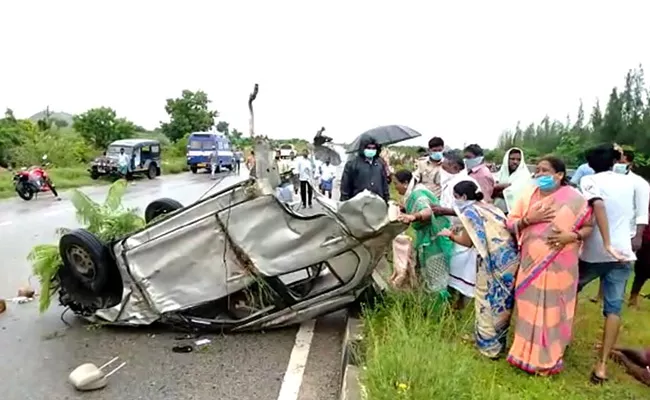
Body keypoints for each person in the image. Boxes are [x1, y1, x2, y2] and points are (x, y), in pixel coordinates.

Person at [506, 156, 594, 376]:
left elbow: (589, 226)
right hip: (530, 263)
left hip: (560, 264)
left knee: (556, 308)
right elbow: (510, 222)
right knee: (528, 306)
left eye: (545, 171)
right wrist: (529, 219)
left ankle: (549, 357)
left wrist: (571, 236)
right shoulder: (528, 195)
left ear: (560, 175)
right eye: (538, 171)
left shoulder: (575, 199)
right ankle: (523, 353)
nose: (540, 175)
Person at [578, 144, 644, 383]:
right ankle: (602, 364)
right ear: (616, 160)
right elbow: (641, 216)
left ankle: (558, 342)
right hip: (623, 254)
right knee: (614, 309)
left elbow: (598, 205)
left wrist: (606, 243)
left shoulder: (589, 181)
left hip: (594, 252)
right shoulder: (635, 183)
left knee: (569, 292)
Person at [437, 180, 519, 359]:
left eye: (456, 197)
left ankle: (489, 349)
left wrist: (450, 235)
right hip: (510, 258)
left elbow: (467, 241)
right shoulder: (490, 207)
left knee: (487, 301)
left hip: (492, 261)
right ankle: (499, 343)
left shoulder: (469, 212)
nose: (455, 201)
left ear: (464, 197)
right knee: (504, 303)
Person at [393, 170, 453, 299]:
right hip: (432, 234)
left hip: (435, 237)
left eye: (396, 183)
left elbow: (426, 211)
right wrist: (405, 209)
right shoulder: (415, 191)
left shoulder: (417, 193)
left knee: (436, 273)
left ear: (405, 183)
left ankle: (440, 307)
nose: (394, 187)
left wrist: (412, 216)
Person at [438, 151, 480, 305]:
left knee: (462, 274)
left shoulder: (464, 183)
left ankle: (459, 305)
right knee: (456, 272)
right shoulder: (453, 180)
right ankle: (454, 304)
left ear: (454, 166)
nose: (442, 165)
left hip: (463, 236)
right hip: (457, 231)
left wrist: (444, 212)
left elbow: (459, 211)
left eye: (445, 163)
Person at [340, 135, 390, 202]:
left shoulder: (380, 164)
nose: (371, 150)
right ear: (363, 148)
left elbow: (384, 186)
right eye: (368, 148)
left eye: (373, 148)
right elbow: (345, 187)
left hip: (377, 204)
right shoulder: (352, 164)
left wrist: (387, 200)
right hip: (358, 204)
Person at [493, 148, 532, 213]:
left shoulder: (524, 175)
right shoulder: (502, 172)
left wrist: (498, 188)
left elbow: (513, 193)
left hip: (514, 212)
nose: (515, 162)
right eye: (512, 159)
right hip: (497, 209)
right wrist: (502, 186)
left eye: (518, 160)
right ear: (507, 159)